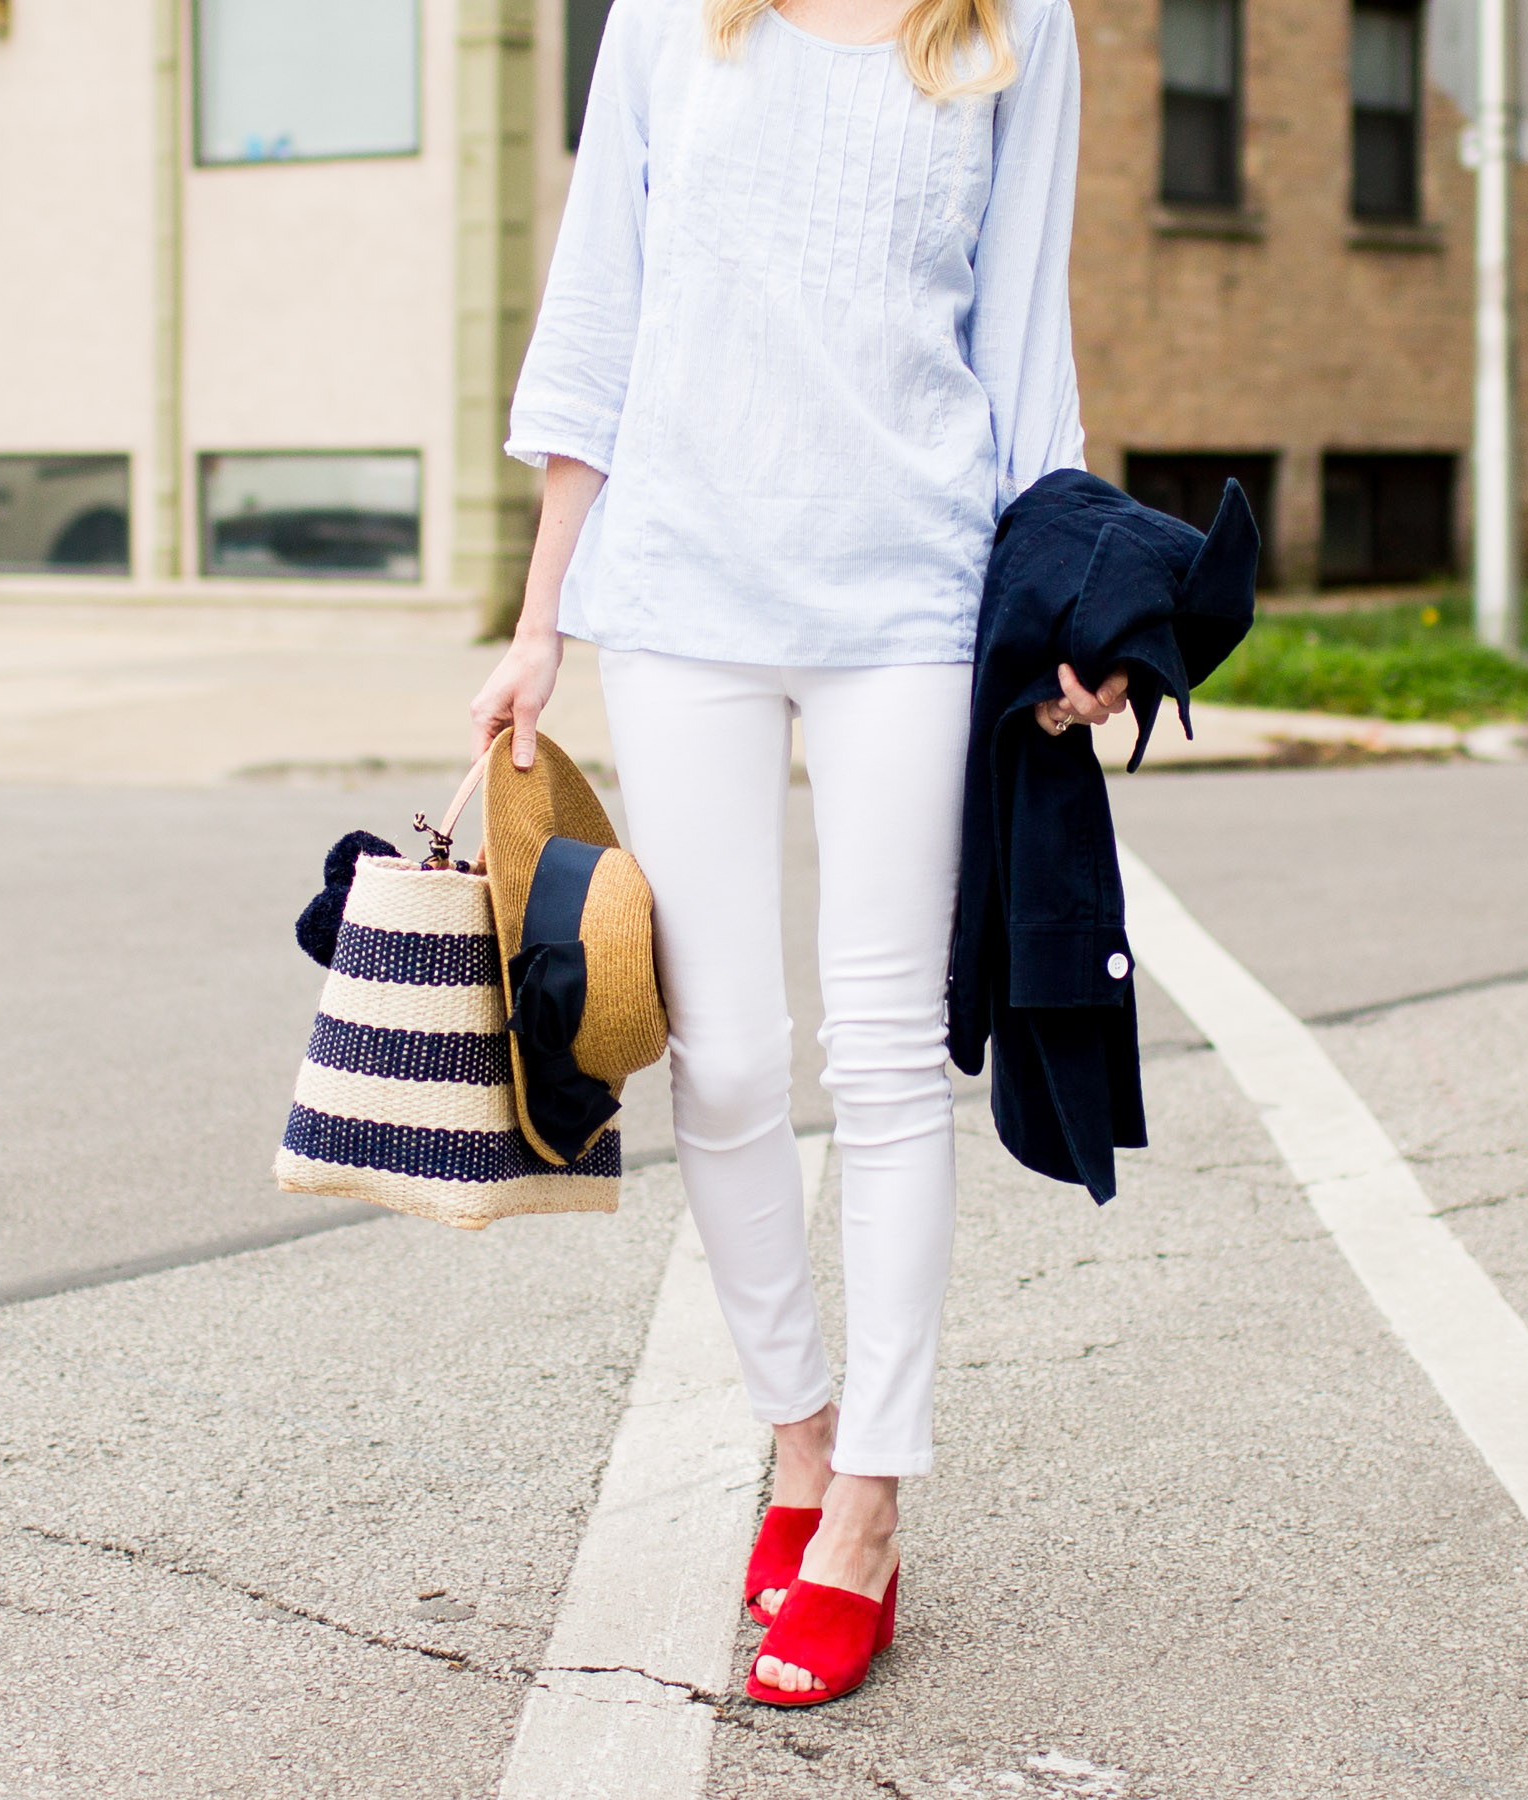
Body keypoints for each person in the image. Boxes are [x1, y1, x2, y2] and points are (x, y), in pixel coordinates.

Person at [469, 0, 1127, 1705]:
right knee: (733, 1058)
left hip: (905, 590)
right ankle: (798, 1434)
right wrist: (542, 617)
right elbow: (598, 304)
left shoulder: (1010, 28)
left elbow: (1021, 334)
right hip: (682, 588)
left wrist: (1057, 597)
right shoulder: (674, 20)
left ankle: (870, 1509)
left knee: (892, 1053)